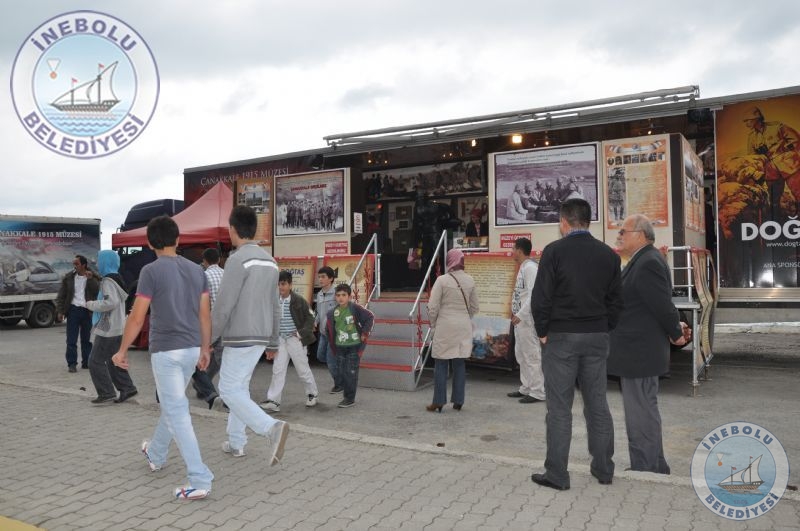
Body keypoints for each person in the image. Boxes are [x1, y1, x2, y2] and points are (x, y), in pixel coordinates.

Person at [111, 215, 214, 500]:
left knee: (178, 413)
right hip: (192, 348)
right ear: (178, 239)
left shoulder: (150, 271)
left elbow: (137, 316)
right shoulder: (197, 271)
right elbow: (205, 314)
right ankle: (155, 452)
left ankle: (200, 479)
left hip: (167, 352)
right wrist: (205, 348)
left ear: (149, 243)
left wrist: (121, 351)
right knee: (173, 406)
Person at [531, 198, 623, 491]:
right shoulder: (609, 255)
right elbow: (616, 302)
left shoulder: (554, 252)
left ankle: (557, 474)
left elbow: (541, 298)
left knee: (559, 408)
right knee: (597, 404)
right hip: (597, 337)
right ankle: (604, 469)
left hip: (561, 339)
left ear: (563, 222)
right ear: (588, 221)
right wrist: (602, 327)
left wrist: (543, 331)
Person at [608, 214, 689, 475]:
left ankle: (647, 467)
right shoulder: (642, 260)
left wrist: (676, 332)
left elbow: (662, 305)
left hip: (639, 354)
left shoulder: (648, 262)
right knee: (641, 411)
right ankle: (653, 463)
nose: (620, 236)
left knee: (641, 413)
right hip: (637, 352)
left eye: (624, 231)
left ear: (641, 235)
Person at [212, 205, 288, 464]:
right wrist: (274, 340)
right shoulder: (271, 261)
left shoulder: (236, 260)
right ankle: (236, 442)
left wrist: (208, 339)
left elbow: (224, 306)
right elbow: (276, 305)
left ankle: (271, 428)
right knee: (239, 387)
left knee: (228, 388)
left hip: (240, 336)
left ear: (232, 230)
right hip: (261, 335)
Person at [425, 249, 479, 412]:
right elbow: (475, 307)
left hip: (445, 325)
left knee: (441, 362)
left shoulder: (442, 280)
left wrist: (433, 324)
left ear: (449, 261)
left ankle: (439, 401)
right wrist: (463, 315)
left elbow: (433, 307)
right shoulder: (470, 280)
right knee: (459, 362)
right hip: (463, 325)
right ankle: (459, 400)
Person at [260, 271, 319, 412]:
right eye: (279, 284)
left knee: (302, 369)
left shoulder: (298, 300)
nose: (281, 287)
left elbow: (311, 317)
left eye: (284, 284)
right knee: (277, 370)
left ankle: (312, 394)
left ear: (290, 285)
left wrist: (300, 333)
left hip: (295, 340)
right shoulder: (273, 300)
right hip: (280, 340)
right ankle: (274, 401)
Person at [85, 250, 138, 404]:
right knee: (113, 360)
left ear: (105, 262)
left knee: (94, 362)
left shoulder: (108, 281)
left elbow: (110, 302)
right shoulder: (118, 278)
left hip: (108, 328)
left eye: (99, 261)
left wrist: (91, 304)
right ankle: (127, 388)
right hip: (119, 326)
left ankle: (107, 392)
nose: (97, 264)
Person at [507, 238, 545, 404]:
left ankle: (538, 391)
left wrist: (521, 314)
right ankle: (527, 387)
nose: (512, 252)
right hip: (519, 320)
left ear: (520, 250)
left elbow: (533, 295)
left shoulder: (531, 268)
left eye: (514, 248)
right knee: (521, 354)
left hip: (527, 320)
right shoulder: (523, 267)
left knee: (531, 355)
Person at [325, 283, 374, 408]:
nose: (341, 298)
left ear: (349, 296)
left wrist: (364, 332)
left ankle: (349, 398)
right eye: (338, 295)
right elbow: (329, 329)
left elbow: (370, 317)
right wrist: (332, 342)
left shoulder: (355, 308)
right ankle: (345, 392)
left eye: (343, 295)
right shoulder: (332, 313)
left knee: (350, 372)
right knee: (341, 371)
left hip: (354, 345)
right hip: (340, 347)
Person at [191, 248, 225, 409]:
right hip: (227, 324)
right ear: (219, 259)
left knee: (204, 355)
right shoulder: (227, 275)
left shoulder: (204, 276)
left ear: (204, 261)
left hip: (210, 323)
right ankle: (206, 384)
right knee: (221, 359)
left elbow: (200, 303)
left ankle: (203, 382)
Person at [56, 254, 101, 372]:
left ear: (84, 265)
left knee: (86, 340)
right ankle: (72, 364)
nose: (74, 266)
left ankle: (87, 362)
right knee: (71, 340)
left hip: (87, 311)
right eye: (73, 264)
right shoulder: (69, 278)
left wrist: (90, 279)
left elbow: (97, 291)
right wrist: (60, 311)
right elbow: (61, 295)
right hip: (73, 311)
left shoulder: (92, 277)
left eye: (77, 264)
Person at [314, 266, 340, 392]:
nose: (320, 279)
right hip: (323, 333)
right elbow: (319, 312)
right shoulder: (319, 294)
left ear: (331, 278)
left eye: (323, 276)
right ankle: (339, 363)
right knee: (320, 356)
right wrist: (315, 322)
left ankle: (339, 384)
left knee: (330, 361)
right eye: (319, 277)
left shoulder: (337, 293)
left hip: (333, 333)